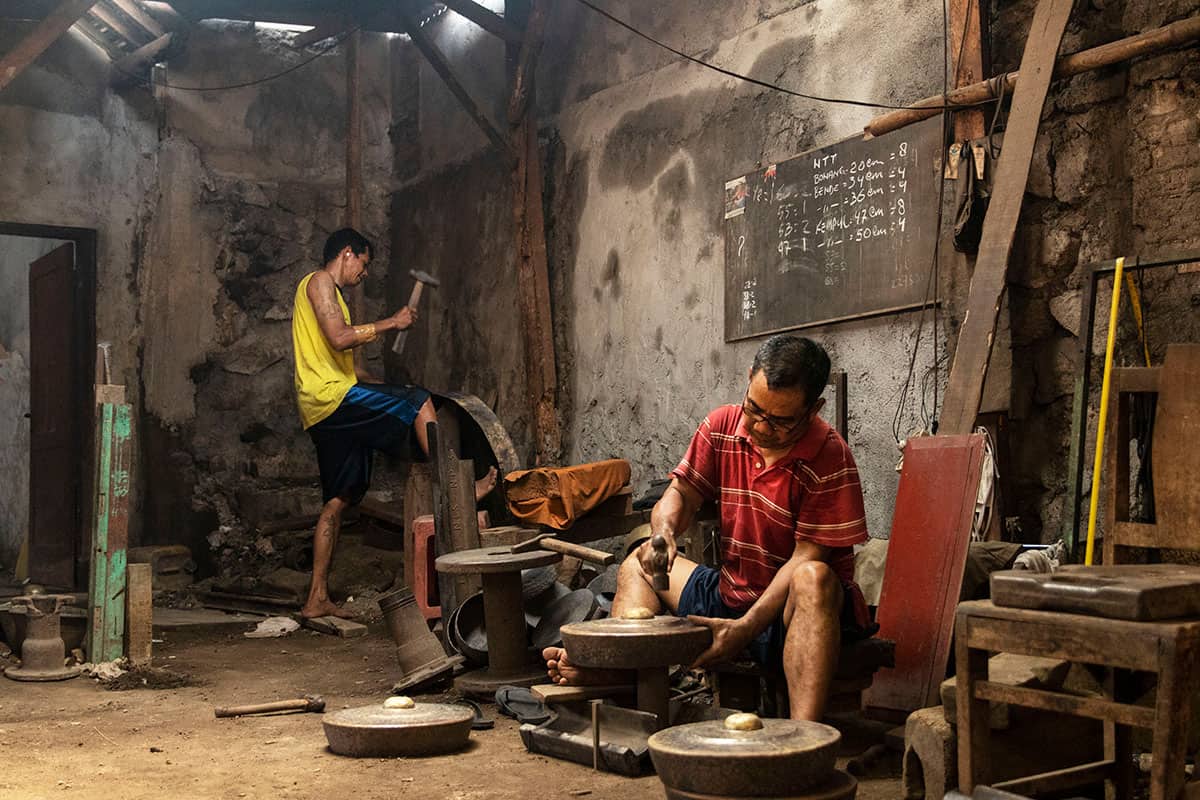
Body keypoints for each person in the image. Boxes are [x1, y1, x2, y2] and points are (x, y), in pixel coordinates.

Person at [543, 335, 870, 720]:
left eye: (780, 421)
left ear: (813, 408)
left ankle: (803, 739)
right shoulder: (721, 427)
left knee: (814, 578)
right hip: (732, 595)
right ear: (749, 379)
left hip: (795, 612)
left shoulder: (830, 455)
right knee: (638, 563)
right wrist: (663, 534)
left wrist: (745, 629)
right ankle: (621, 670)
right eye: (754, 409)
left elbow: (806, 559)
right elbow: (681, 494)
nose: (761, 427)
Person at [292, 228, 495, 619]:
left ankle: (315, 597)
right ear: (347, 253)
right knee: (419, 403)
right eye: (364, 264)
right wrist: (392, 323)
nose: (364, 274)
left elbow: (355, 372)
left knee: (338, 501)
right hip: (330, 397)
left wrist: (393, 389)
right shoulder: (320, 282)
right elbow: (338, 339)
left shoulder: (335, 301)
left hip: (324, 408)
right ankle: (457, 488)